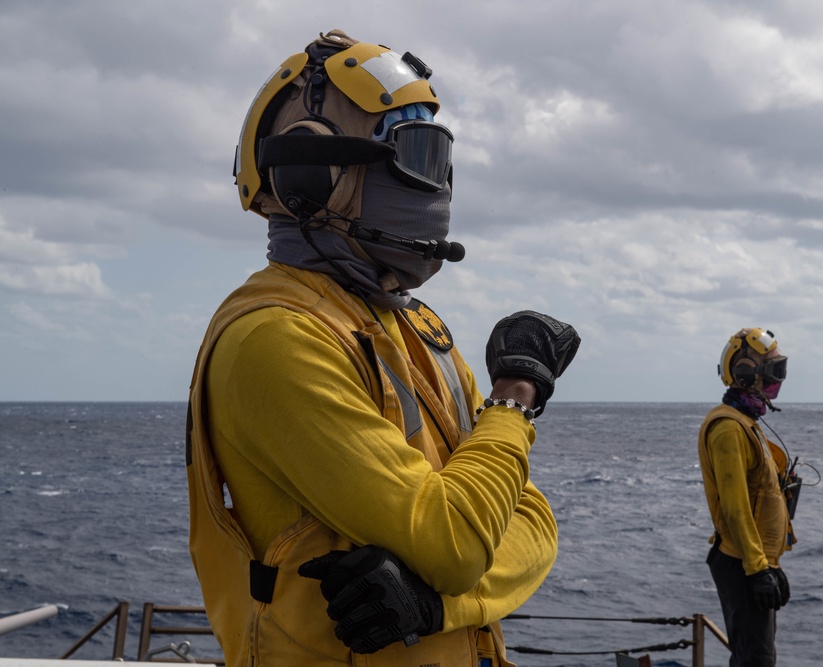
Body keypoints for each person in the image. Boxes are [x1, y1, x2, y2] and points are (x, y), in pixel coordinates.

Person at [185, 29, 580, 667]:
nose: (438, 185)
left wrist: (437, 606)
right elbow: (456, 541)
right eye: (418, 155)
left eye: (441, 161)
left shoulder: (419, 327)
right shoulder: (277, 338)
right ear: (313, 175)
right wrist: (515, 398)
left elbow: (531, 523)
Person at [697, 327, 796, 667]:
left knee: (756, 657)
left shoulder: (745, 422)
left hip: (751, 560)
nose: (777, 379)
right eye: (772, 370)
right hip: (740, 562)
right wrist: (757, 570)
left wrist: (770, 565)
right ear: (743, 373)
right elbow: (736, 509)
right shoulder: (728, 428)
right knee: (755, 660)